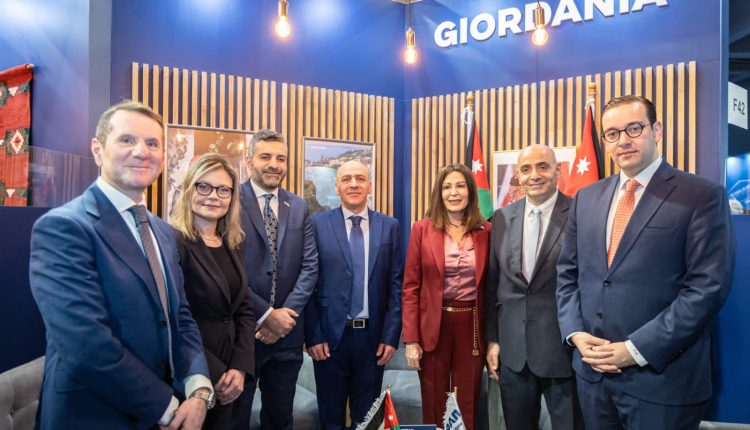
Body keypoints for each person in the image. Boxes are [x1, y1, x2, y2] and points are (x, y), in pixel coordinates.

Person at [29, 101, 213, 429]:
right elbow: (86, 344)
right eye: (127, 140)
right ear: (97, 150)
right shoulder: (64, 227)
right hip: (93, 415)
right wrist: (166, 407)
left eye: (152, 143)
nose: (142, 152)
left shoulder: (163, 232)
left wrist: (198, 387)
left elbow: (180, 316)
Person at [557, 95, 736, 429]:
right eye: (612, 133)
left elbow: (707, 289)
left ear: (657, 130)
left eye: (634, 128)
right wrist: (575, 332)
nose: (623, 140)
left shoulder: (701, 195)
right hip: (593, 378)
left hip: (662, 381)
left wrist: (635, 349)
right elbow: (567, 274)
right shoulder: (586, 197)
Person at [485, 144, 582, 430]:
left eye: (543, 166)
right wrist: (493, 339)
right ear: (518, 175)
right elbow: (493, 284)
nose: (534, 175)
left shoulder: (579, 213)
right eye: (526, 169)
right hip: (514, 354)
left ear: (557, 170)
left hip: (563, 352)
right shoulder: (502, 218)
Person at [305, 161, 403, 429]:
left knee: (367, 420)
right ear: (336, 186)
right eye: (346, 179)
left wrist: (391, 336)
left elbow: (396, 286)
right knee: (330, 420)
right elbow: (308, 284)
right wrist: (313, 335)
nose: (353, 184)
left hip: (372, 340)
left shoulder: (390, 226)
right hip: (329, 339)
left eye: (360, 178)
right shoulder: (317, 224)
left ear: (370, 186)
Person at [236, 129, 318, 430]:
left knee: (281, 420)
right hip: (244, 333)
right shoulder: (230, 200)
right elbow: (227, 270)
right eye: (266, 157)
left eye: (281, 158)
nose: (274, 164)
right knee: (235, 419)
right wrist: (267, 316)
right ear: (249, 161)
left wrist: (284, 317)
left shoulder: (298, 205)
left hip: (287, 336)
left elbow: (310, 266)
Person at [402, 163, 491, 430]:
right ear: (439, 193)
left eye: (460, 186)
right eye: (447, 187)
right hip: (433, 325)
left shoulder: (487, 231)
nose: (454, 193)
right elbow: (410, 287)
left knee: (467, 400)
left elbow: (492, 287)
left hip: (471, 324)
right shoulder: (422, 229)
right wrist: (411, 339)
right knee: (433, 399)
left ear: (470, 191)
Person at [170, 153, 256, 430]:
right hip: (192, 372)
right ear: (189, 188)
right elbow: (172, 317)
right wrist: (217, 372)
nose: (214, 196)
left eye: (223, 190)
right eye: (204, 186)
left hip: (232, 372)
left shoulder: (234, 242)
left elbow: (243, 309)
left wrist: (240, 367)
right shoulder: (172, 242)